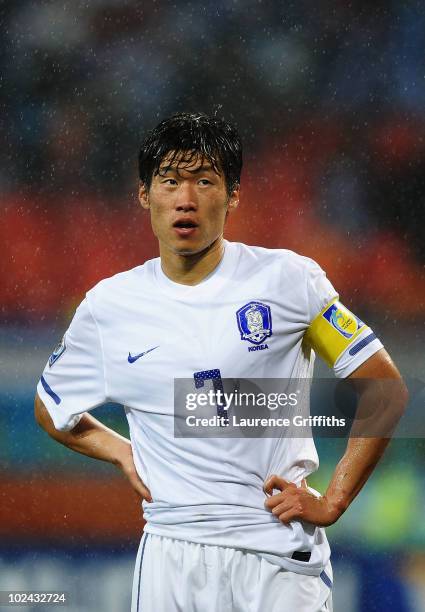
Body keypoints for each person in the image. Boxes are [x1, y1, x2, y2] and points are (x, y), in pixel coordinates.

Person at [35, 112, 407, 612]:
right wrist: (122, 451)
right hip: (171, 554)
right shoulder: (108, 307)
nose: (185, 199)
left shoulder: (287, 281)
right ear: (145, 194)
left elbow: (385, 388)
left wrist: (334, 498)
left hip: (276, 554)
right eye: (169, 181)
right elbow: (50, 405)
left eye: (204, 181)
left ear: (232, 195)